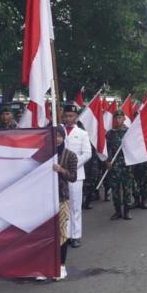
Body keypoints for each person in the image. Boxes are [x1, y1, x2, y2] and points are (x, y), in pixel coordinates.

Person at [62, 104, 92, 245]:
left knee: (75, 205)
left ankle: (76, 235)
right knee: (63, 204)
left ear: (76, 117)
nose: (69, 118)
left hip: (76, 174)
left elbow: (87, 153)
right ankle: (65, 234)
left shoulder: (82, 133)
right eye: (66, 115)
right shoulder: (58, 131)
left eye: (71, 116)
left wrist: (72, 165)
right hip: (60, 174)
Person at [52, 126, 78, 280]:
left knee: (61, 231)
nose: (56, 139)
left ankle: (61, 265)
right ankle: (46, 264)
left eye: (59, 136)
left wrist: (61, 170)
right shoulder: (45, 154)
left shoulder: (70, 155)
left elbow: (73, 177)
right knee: (46, 232)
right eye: (54, 136)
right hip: (45, 199)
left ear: (63, 137)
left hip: (62, 198)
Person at [105, 110, 134, 220]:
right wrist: (107, 161)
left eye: (120, 117)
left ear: (124, 119)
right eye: (116, 118)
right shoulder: (110, 133)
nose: (118, 120)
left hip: (126, 164)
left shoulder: (129, 132)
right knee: (115, 189)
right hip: (114, 164)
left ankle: (127, 211)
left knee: (127, 189)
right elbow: (107, 149)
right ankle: (117, 211)